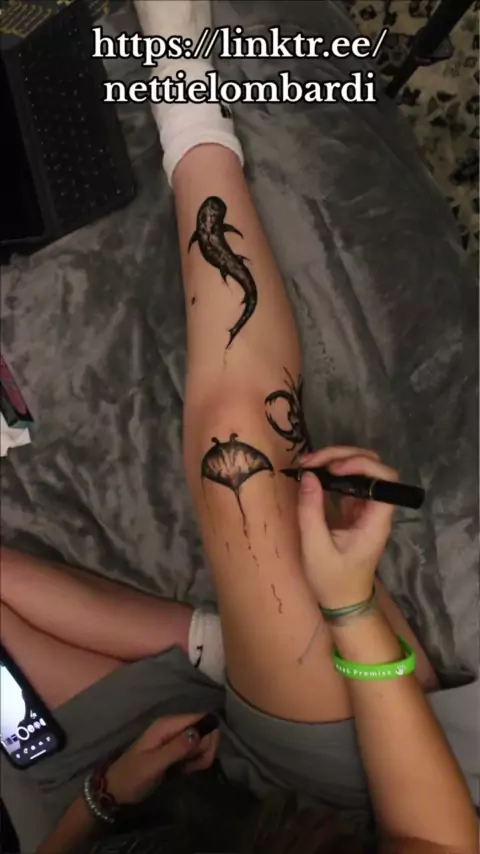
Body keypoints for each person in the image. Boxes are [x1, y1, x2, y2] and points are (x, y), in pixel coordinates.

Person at [1, 2, 477, 852]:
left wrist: (103, 801)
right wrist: (349, 607)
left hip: (157, 811)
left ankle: (208, 648)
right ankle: (187, 92)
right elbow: (439, 841)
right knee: (243, 465)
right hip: (333, 810)